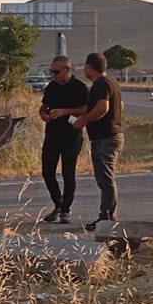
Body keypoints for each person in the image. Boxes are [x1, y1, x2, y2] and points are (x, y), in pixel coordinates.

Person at [38, 55, 90, 225]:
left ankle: (65, 209)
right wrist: (43, 114)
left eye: (57, 72)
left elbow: (85, 109)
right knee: (47, 172)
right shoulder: (52, 87)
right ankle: (58, 204)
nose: (54, 75)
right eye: (52, 71)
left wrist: (64, 111)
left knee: (68, 173)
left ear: (67, 70)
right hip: (52, 134)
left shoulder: (79, 87)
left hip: (71, 135)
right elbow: (44, 105)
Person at [73, 52, 123, 228]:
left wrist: (85, 120)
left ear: (89, 68)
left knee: (106, 179)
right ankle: (106, 216)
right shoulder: (111, 83)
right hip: (109, 136)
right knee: (105, 178)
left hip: (106, 137)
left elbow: (103, 107)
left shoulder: (101, 84)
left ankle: (108, 218)